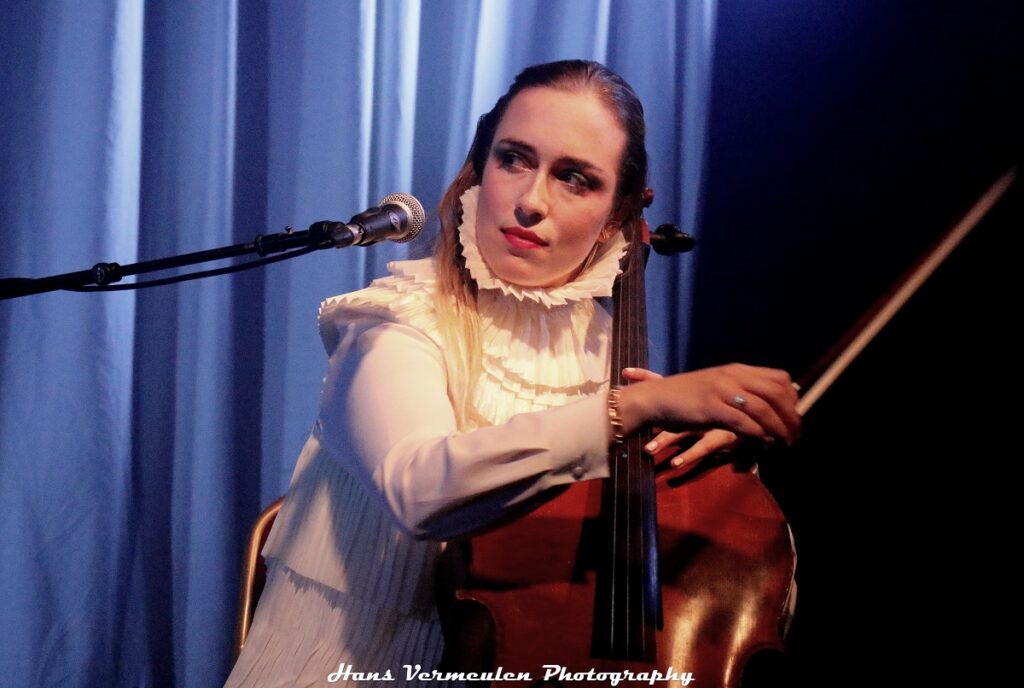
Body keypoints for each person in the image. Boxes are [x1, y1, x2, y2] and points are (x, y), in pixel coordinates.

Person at [225, 59, 800, 687]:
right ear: (480, 170)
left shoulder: (606, 352)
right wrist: (629, 411)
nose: (531, 201)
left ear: (617, 216)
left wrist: (713, 478)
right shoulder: (391, 323)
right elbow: (421, 492)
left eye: (575, 179)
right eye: (514, 159)